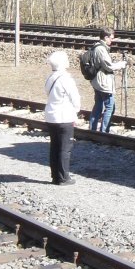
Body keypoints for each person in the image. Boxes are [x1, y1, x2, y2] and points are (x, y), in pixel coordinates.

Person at [44, 50, 81, 185]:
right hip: (64, 116)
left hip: (51, 116)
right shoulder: (66, 78)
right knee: (65, 148)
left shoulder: (50, 77)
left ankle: (55, 176)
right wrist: (75, 111)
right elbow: (75, 98)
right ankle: (64, 177)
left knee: (54, 147)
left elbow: (47, 93)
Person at [88, 27, 127, 133]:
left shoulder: (97, 46)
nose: (112, 40)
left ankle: (92, 130)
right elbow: (109, 66)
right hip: (103, 82)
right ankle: (104, 132)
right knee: (110, 107)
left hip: (97, 81)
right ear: (105, 37)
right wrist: (121, 64)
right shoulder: (101, 49)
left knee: (98, 105)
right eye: (111, 38)